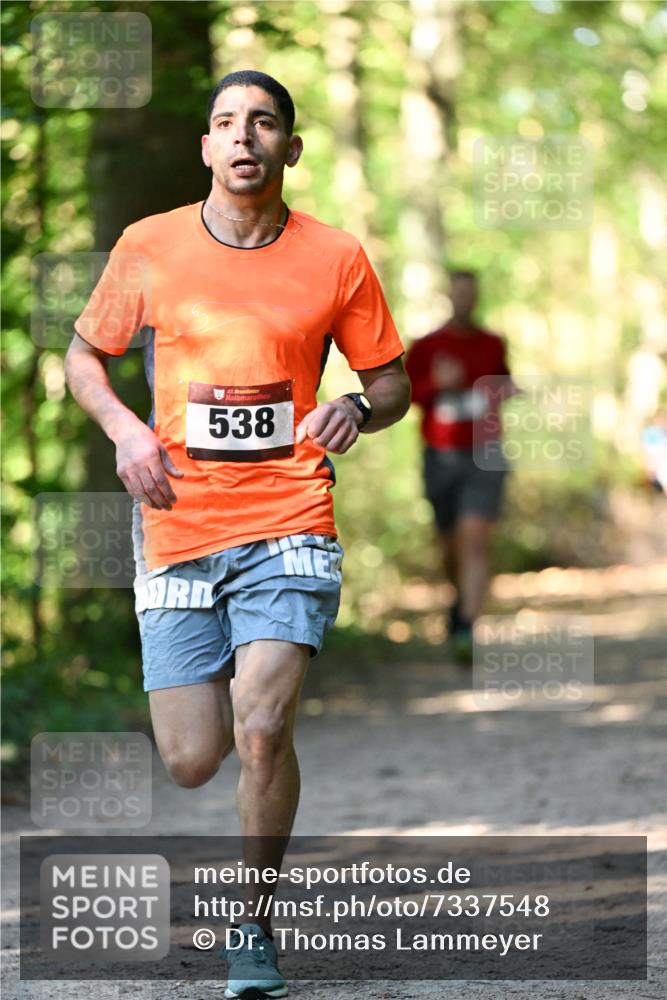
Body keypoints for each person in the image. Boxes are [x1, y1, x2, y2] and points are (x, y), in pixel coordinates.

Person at [65, 70, 409, 999]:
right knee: (191, 760)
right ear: (206, 148)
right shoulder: (150, 245)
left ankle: (250, 926)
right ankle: (250, 733)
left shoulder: (335, 256)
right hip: (177, 519)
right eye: (225, 123)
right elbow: (84, 357)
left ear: (289, 147)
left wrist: (354, 407)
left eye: (262, 123)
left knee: (262, 725)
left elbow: (391, 383)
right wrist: (126, 430)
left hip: (290, 516)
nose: (243, 137)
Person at [405, 270, 514, 664]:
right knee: (450, 546)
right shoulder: (426, 346)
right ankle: (459, 599)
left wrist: (501, 391)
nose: (465, 299)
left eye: (471, 293)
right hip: (441, 456)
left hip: (485, 452)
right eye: (459, 293)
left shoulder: (492, 344)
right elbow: (403, 394)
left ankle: (467, 624)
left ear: (477, 297)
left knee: (475, 540)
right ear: (449, 296)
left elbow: (504, 384)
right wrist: (438, 384)